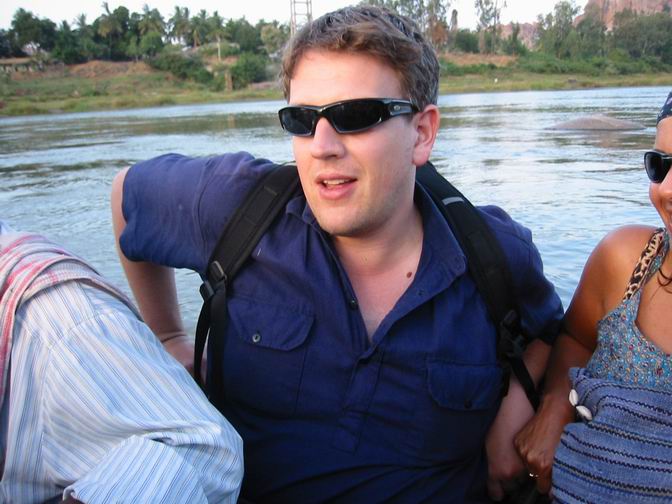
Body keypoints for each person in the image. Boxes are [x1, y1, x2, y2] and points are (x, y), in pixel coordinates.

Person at [111, 5, 563, 502]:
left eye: (355, 116)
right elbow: (125, 195)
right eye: (302, 120)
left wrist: (519, 405)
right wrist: (168, 335)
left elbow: (554, 332)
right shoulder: (237, 207)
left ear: (422, 133)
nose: (321, 146)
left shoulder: (493, 253)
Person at [0, 220, 243, 503]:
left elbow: (202, 449)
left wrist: (169, 334)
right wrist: (171, 335)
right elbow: (130, 204)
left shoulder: (63, 324)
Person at [515, 92, 672, 500]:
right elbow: (576, 338)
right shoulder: (627, 262)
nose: (667, 189)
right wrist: (555, 405)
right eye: (661, 165)